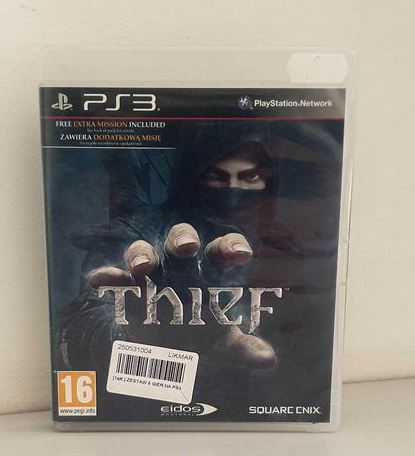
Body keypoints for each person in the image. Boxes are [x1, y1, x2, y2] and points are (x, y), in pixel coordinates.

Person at [58, 121, 342, 418]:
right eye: (215, 176)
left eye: (250, 177)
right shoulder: (139, 234)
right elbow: (75, 337)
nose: (234, 193)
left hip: (267, 423)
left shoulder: (292, 247)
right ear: (191, 175)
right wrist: (135, 337)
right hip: (153, 421)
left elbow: (307, 355)